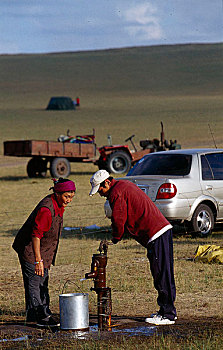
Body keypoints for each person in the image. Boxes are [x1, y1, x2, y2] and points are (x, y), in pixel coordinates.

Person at [89, 169, 177, 325]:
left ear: (107, 182)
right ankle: (167, 310)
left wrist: (115, 238)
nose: (100, 193)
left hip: (156, 233)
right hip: (161, 232)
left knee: (161, 274)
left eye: (101, 189)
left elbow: (118, 219)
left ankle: (167, 314)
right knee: (164, 272)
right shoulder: (122, 185)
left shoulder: (116, 193)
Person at [12, 178, 76, 327]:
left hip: (43, 250)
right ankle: (43, 317)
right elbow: (36, 236)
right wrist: (38, 260)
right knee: (35, 282)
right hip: (30, 249)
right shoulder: (46, 209)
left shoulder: (57, 204)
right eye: (66, 196)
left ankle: (33, 316)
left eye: (72, 197)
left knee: (41, 279)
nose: (69, 200)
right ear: (57, 193)